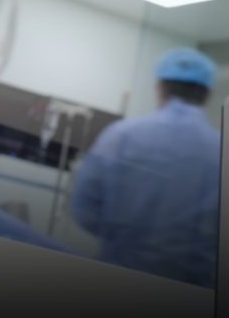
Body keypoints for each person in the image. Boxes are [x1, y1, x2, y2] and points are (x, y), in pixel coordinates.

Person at [69, 48, 220, 288]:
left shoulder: (121, 135)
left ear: (160, 87)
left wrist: (124, 241)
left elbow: (83, 208)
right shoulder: (226, 153)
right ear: (208, 95)